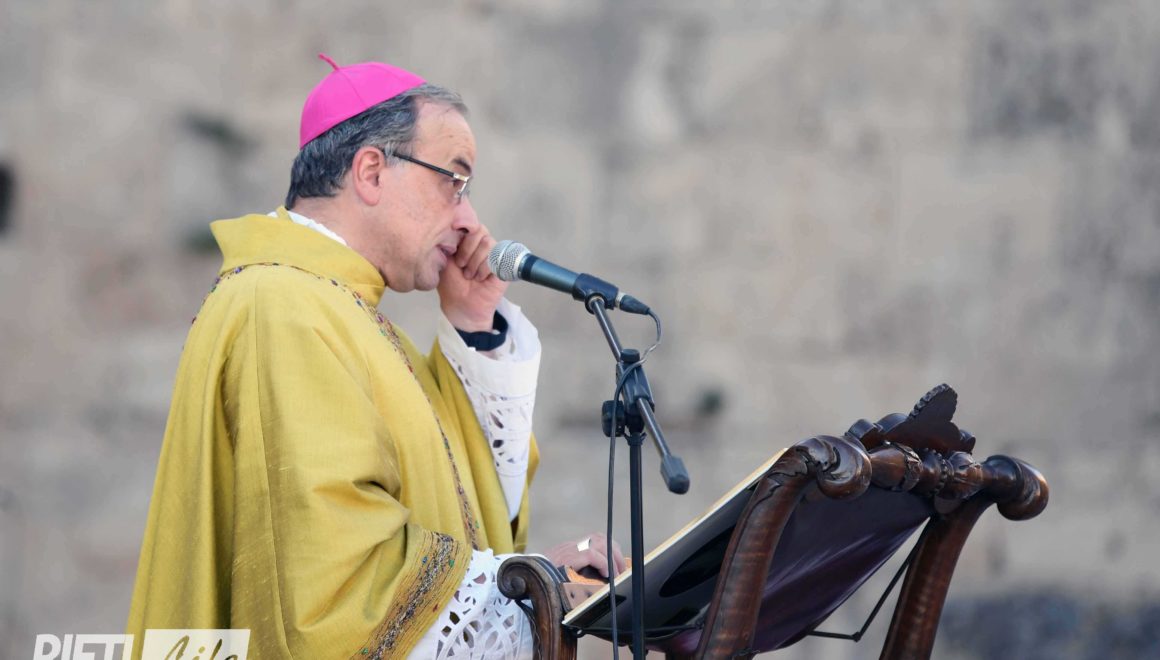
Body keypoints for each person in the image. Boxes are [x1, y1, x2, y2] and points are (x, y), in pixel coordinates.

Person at [126, 54, 624, 659]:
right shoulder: (282, 307)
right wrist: (539, 583)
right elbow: (333, 589)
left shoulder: (349, 318)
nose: (469, 219)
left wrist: (473, 323)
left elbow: (474, 513)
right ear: (370, 172)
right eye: (454, 181)